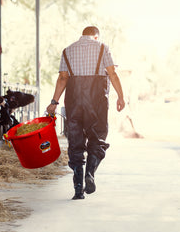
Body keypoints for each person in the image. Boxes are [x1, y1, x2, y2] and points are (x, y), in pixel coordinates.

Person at [46, 26, 125, 200]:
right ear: (96, 37)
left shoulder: (68, 50)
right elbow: (112, 73)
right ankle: (90, 173)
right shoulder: (102, 47)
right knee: (97, 137)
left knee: (75, 141)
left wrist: (54, 102)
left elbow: (63, 78)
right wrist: (120, 96)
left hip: (73, 101)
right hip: (96, 101)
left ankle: (78, 189)